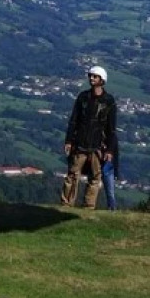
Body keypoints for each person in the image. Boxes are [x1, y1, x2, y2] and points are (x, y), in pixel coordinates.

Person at [61, 65, 118, 208]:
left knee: (94, 177)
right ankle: (66, 203)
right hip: (80, 143)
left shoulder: (108, 101)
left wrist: (109, 150)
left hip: (97, 146)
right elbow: (74, 120)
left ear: (102, 80)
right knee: (73, 174)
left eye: (95, 76)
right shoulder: (83, 97)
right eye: (91, 76)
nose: (91, 78)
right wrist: (69, 140)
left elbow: (111, 128)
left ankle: (89, 205)